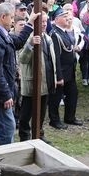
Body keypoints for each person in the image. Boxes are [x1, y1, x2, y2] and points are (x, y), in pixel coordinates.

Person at [0, 3, 36, 145]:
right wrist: (5, 94)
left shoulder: (1, 33)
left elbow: (17, 42)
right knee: (6, 128)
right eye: (11, 17)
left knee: (4, 127)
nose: (13, 20)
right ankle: (2, 161)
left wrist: (29, 24)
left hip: (4, 90)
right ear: (3, 17)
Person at [17, 14, 56, 143]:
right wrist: (30, 44)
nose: (44, 24)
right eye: (41, 22)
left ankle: (39, 134)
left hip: (46, 81)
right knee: (26, 113)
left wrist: (55, 78)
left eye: (46, 21)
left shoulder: (48, 38)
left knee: (41, 111)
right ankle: (24, 137)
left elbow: (52, 60)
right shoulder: (27, 38)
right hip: (32, 83)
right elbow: (22, 59)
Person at [49, 8, 82, 129]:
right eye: (64, 17)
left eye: (67, 16)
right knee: (56, 97)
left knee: (73, 94)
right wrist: (58, 76)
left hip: (70, 70)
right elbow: (56, 57)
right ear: (56, 19)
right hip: (61, 71)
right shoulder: (55, 34)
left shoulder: (64, 32)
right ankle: (54, 120)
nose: (67, 19)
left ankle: (70, 117)